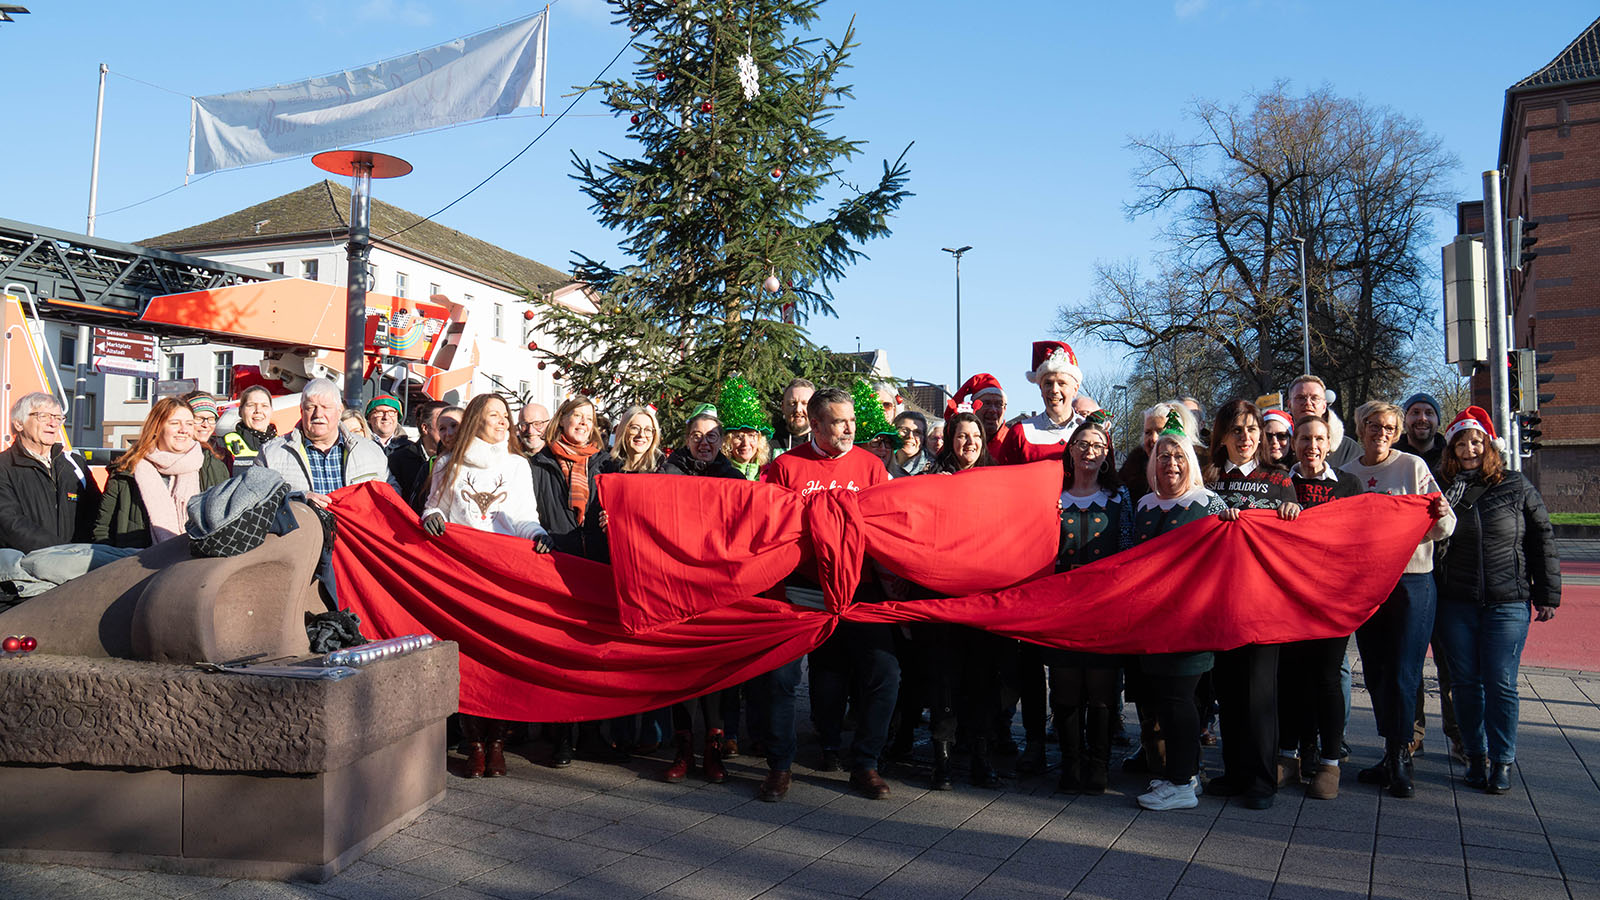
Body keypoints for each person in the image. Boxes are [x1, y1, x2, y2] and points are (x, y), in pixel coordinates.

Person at [759, 386, 896, 802]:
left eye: (852, 421)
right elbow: (763, 526)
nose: (851, 429)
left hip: (860, 589)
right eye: (840, 422)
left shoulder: (872, 467)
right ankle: (780, 766)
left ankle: (866, 764)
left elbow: (893, 522)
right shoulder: (784, 467)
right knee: (780, 677)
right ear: (815, 424)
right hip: (802, 591)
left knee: (885, 673)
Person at [419, 393, 551, 779]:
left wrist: (540, 534)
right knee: (468, 658)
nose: (503, 422)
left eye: (505, 416)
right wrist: (434, 516)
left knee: (500, 658)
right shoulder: (448, 463)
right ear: (476, 419)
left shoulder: (516, 465)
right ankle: (473, 742)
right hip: (464, 572)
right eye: (494, 415)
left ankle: (497, 743)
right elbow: (435, 505)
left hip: (505, 571)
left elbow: (524, 516)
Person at [1433, 407, 1560, 794]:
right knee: (1466, 684)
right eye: (1460, 443)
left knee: (1501, 682)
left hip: (1508, 601)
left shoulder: (1516, 485)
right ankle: (1475, 755)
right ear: (1451, 450)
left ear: (1488, 445)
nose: (1468, 448)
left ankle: (1502, 760)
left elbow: (1542, 538)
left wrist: (1548, 593)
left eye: (1475, 441)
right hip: (1456, 602)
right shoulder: (1440, 488)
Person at [1340, 400, 1454, 798]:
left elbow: (1446, 525)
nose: (1383, 432)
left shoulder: (1412, 467)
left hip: (1411, 581)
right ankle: (1389, 750)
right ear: (1360, 428)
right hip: (1367, 585)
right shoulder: (1347, 474)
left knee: (1405, 671)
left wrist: (1437, 514)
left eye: (1390, 426)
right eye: (1374, 425)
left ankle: (1401, 756)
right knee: (1376, 671)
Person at [1202, 400, 1301, 810]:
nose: (1245, 437)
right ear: (1222, 437)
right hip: (1219, 601)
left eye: (1252, 430)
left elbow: (1294, 542)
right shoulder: (1206, 481)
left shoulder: (1279, 481)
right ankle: (1235, 771)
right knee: (1228, 691)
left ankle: (1262, 780)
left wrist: (1294, 514)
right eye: (1236, 430)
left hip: (1263, 603)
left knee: (1260, 694)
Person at [1133, 410, 1229, 811]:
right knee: (1163, 702)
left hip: (1189, 622)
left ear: (1190, 461)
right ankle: (1182, 774)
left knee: (1180, 701)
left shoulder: (1208, 503)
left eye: (1178, 456)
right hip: (1151, 623)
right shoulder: (1143, 505)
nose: (1170, 463)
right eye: (1162, 456)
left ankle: (1182, 783)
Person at [527, 395, 624, 767]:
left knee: (596, 652)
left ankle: (594, 734)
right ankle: (562, 735)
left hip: (598, 564)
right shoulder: (540, 463)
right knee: (562, 653)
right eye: (575, 416)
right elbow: (528, 511)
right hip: (558, 563)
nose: (582, 422)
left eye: (588, 417)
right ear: (562, 420)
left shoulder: (607, 463)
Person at [657, 404, 746, 784]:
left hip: (717, 585)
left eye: (711, 436)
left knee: (713, 670)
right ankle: (682, 751)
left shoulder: (734, 477)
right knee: (679, 670)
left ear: (721, 441)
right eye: (696, 436)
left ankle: (712, 751)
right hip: (676, 584)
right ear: (686, 439)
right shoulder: (667, 472)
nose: (704, 443)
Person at [916, 408, 1003, 789]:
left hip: (983, 597)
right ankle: (942, 760)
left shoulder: (998, 481)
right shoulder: (930, 480)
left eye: (976, 437)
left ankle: (981, 757)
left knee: (982, 678)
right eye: (962, 436)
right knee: (943, 679)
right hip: (940, 595)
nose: (969, 443)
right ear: (950, 439)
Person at [1279, 415, 1365, 799]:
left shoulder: (1349, 484)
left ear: (1330, 444)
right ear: (1293, 443)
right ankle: (1289, 754)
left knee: (1328, 678)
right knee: (1290, 677)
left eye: (1319, 439)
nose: (1311, 446)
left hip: (1332, 598)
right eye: (1304, 439)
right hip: (1287, 596)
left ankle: (1329, 761)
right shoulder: (1279, 482)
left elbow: (1361, 536)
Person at [1047, 413, 1132, 795]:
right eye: (1082, 444)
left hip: (1104, 605)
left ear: (1107, 454)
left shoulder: (1120, 497)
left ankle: (1098, 764)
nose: (1090, 451)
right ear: (1071, 451)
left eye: (1098, 445)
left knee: (1100, 689)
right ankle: (1071, 761)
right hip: (1061, 605)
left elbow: (1128, 550)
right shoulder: (1051, 495)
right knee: (1065, 689)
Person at [93, 397, 230, 548]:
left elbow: (225, 524)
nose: (183, 430)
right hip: (138, 565)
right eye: (174, 423)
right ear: (157, 427)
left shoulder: (213, 467)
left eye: (189, 424)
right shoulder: (126, 471)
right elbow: (102, 530)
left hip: (196, 566)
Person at [256, 379, 390, 508]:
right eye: (311, 407)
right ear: (301, 411)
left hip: (353, 531)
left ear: (339, 411)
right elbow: (255, 500)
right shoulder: (270, 455)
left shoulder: (371, 452)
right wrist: (297, 500)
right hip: (302, 530)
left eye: (326, 407)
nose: (318, 414)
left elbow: (391, 495)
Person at [0, 392, 100, 553]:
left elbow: (96, 516)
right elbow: (9, 523)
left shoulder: (75, 464)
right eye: (44, 416)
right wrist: (62, 552)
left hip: (78, 568)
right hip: (25, 571)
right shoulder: (4, 467)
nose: (53, 423)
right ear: (19, 424)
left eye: (58, 417)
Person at [993, 341, 1086, 465]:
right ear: (1041, 389)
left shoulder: (1093, 431)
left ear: (1075, 389)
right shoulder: (1020, 432)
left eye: (1062, 383)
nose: (1054, 390)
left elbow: (1109, 481)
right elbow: (1002, 480)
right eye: (1048, 383)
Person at [1119, 401, 1198, 500]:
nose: (1154, 438)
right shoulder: (1129, 478)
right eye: (1148, 432)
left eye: (1161, 431)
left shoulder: (1200, 492)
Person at [1287, 375, 1360, 469]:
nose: (1308, 403)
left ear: (1324, 406)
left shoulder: (1348, 449)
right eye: (1300, 398)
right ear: (1289, 405)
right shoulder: (1276, 446)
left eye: (1314, 398)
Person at [366, 394, 427, 497]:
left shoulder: (411, 450)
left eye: (392, 412)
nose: (386, 417)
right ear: (369, 417)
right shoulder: (361, 447)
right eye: (379, 412)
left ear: (398, 417)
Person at [223, 384, 277, 465]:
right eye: (251, 405)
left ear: (271, 411)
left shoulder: (282, 445)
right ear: (240, 411)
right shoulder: (223, 446)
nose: (258, 410)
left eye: (264, 406)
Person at [181, 391, 234, 471]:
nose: (206, 425)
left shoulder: (224, 455)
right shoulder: (175, 454)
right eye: (199, 418)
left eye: (211, 419)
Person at [1394, 392, 1445, 472]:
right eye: (1415, 412)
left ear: (1438, 421)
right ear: (1403, 421)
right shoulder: (1390, 457)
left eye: (1429, 413)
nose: (1422, 418)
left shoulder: (1452, 458)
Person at [771, 378, 814, 455]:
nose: (798, 410)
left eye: (805, 403)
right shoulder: (767, 439)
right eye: (793, 403)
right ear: (783, 407)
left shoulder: (824, 441)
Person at [888, 411, 932, 477]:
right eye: (904, 430)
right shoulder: (883, 464)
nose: (910, 436)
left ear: (924, 438)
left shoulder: (933, 470)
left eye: (917, 432)